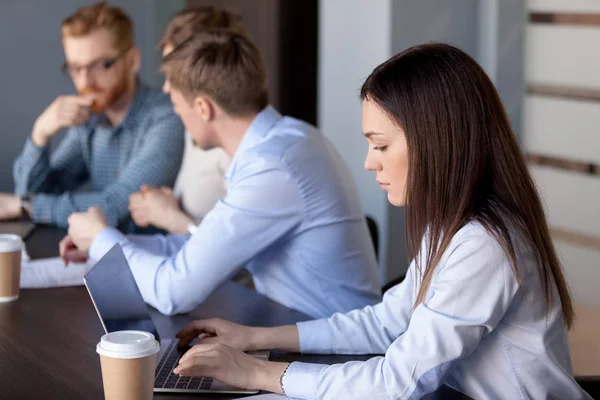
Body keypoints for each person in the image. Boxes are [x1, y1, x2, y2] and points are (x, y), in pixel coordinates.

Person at [164, 43, 592, 400]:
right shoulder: (452, 226)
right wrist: (256, 338)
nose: (369, 162)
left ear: (435, 143)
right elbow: (388, 322)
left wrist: (256, 374)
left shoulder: (484, 243)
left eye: (381, 145)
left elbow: (397, 381)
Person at [62, 30, 381, 319]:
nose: (175, 112)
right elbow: (199, 250)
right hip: (298, 329)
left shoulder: (273, 168)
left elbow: (173, 292)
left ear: (203, 107)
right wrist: (107, 243)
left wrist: (102, 240)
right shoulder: (288, 140)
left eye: (175, 101)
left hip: (332, 355)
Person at [0, 2, 184, 232]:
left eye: (99, 65)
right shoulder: (90, 120)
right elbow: (36, 193)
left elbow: (116, 205)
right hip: (102, 256)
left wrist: (24, 206)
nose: (85, 82)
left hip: (151, 260)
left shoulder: (166, 117)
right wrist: (40, 133)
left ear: (132, 61)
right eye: (75, 68)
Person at [128, 7, 245, 235]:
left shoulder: (238, 151)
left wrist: (171, 218)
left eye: (175, 75)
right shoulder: (194, 130)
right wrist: (167, 206)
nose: (166, 87)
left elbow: (236, 257)